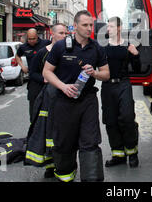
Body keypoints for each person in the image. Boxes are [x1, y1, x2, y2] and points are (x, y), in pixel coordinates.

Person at [43, 10, 110, 182]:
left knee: (90, 143)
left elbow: (106, 74)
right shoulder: (60, 46)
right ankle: (65, 177)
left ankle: (92, 179)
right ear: (75, 26)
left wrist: (94, 73)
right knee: (64, 143)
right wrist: (63, 87)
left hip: (87, 101)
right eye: (85, 25)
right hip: (64, 102)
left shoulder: (96, 48)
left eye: (91, 25)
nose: (89, 29)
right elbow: (47, 72)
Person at [101, 16, 140, 168]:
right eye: (107, 26)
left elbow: (137, 69)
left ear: (119, 28)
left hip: (124, 84)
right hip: (107, 86)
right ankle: (118, 155)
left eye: (110, 26)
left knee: (127, 118)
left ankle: (132, 153)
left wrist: (136, 55)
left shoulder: (128, 46)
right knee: (110, 121)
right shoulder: (102, 47)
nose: (108, 29)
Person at [28, 23, 67, 121]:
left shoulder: (69, 53)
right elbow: (32, 73)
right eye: (61, 33)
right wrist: (44, 79)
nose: (64, 36)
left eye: (66, 33)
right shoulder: (42, 53)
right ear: (52, 34)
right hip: (40, 92)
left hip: (59, 94)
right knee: (38, 122)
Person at [16, 28, 50, 120]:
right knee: (33, 104)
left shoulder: (45, 43)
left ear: (37, 37)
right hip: (33, 78)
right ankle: (33, 126)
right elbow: (17, 56)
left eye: (33, 39)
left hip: (46, 76)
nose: (31, 41)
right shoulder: (24, 47)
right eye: (29, 39)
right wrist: (22, 66)